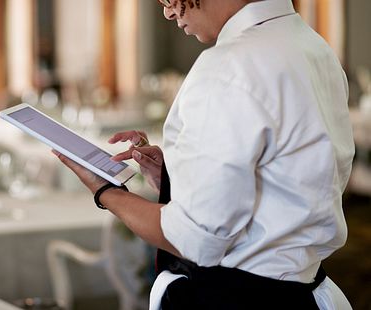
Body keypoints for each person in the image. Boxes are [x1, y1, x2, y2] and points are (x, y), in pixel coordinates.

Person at [53, 0, 354, 309]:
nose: (168, 11)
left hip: (237, 300)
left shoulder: (229, 65)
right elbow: (288, 176)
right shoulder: (312, 45)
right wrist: (177, 175)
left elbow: (193, 240)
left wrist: (105, 191)